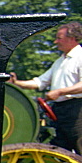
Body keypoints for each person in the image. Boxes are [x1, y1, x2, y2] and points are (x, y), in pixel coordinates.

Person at [9, 22, 82, 152]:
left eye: (59, 38)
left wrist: (60, 91)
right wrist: (17, 83)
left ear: (72, 38)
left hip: (77, 111)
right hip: (59, 111)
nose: (55, 41)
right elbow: (40, 82)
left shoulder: (80, 57)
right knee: (61, 149)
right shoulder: (60, 61)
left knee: (78, 144)